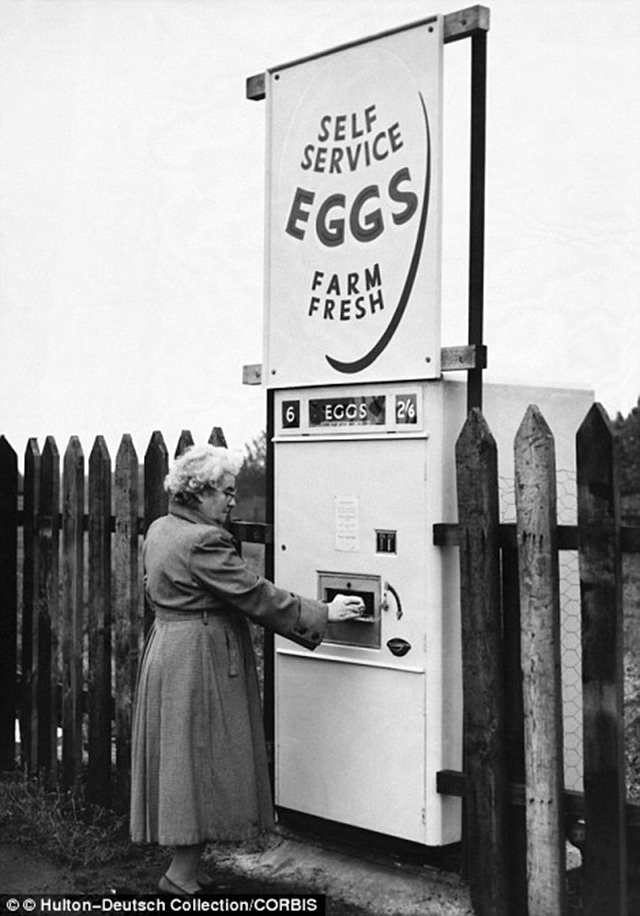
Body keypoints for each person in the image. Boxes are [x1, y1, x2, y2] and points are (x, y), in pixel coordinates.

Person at [130, 443, 363, 897]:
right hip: (199, 656)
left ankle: (189, 870)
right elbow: (255, 595)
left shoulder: (162, 528)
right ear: (199, 493)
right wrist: (325, 613)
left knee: (184, 757)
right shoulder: (203, 541)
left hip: (168, 646)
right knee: (200, 759)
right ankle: (179, 877)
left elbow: (151, 585)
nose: (233, 501)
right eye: (226, 492)